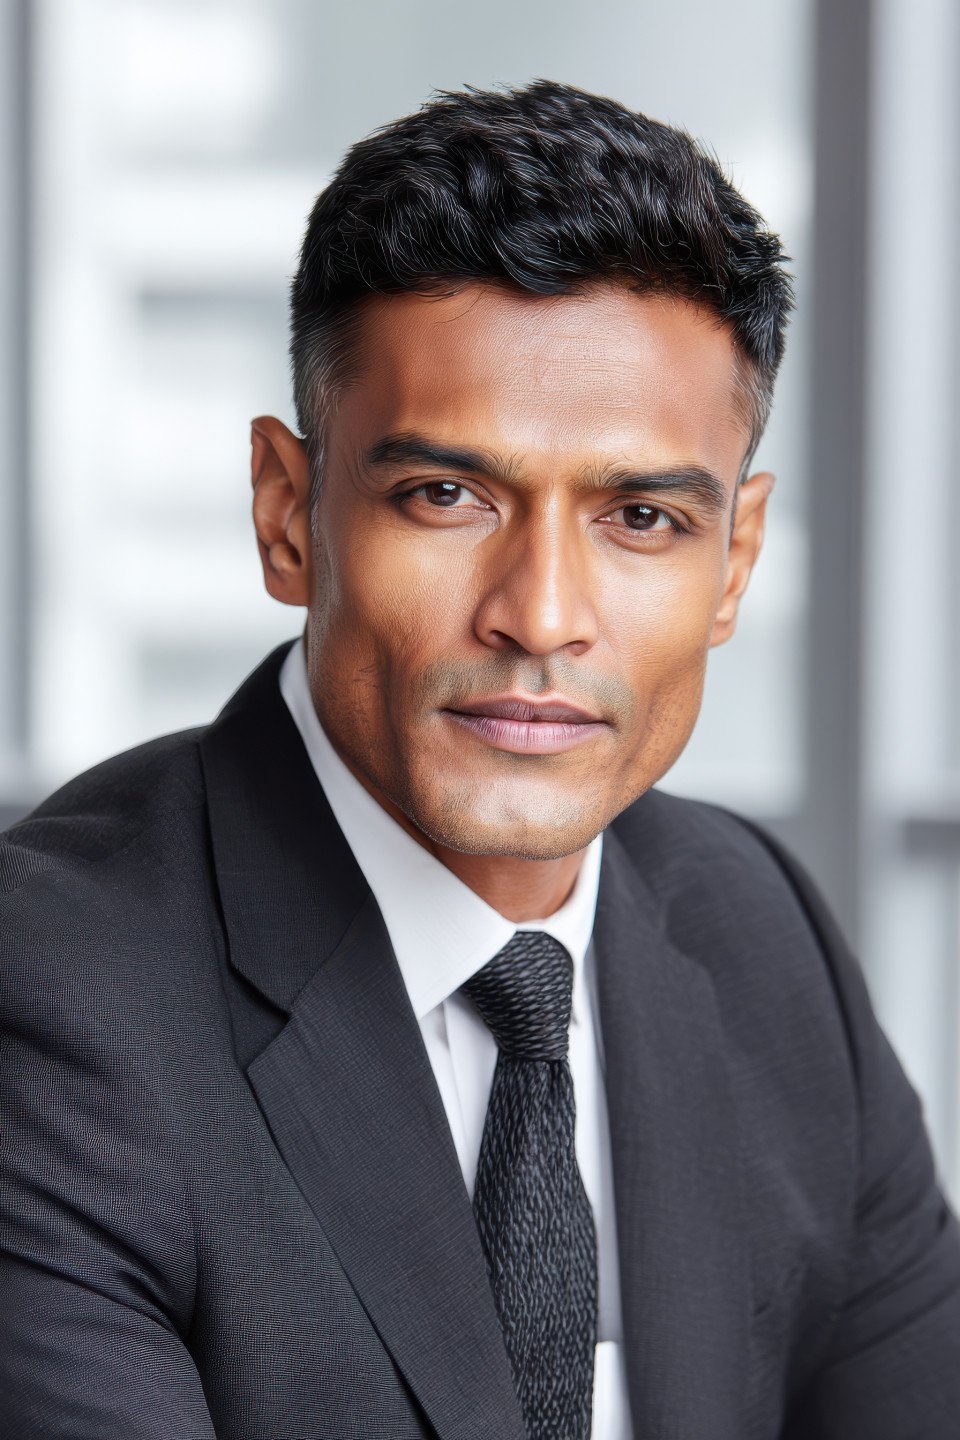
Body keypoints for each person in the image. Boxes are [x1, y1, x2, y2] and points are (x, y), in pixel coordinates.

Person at [2, 79, 958, 1440]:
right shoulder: (56, 1006)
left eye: (640, 516)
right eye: (446, 496)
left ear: (734, 561)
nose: (542, 612)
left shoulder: (763, 940)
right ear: (288, 515)